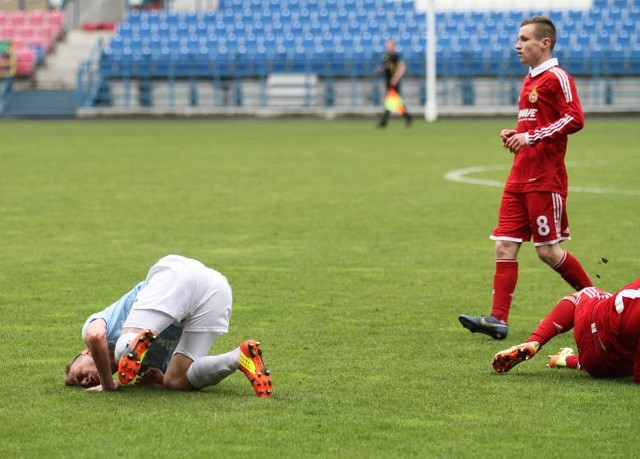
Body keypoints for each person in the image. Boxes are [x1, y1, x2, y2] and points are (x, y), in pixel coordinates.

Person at [459, 16, 592, 340]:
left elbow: (575, 118)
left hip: (545, 179)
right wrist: (516, 134)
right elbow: (534, 126)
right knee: (504, 246)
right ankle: (497, 319)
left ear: (544, 43)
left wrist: (530, 138)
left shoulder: (557, 77)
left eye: (524, 39)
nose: (517, 45)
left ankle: (595, 301)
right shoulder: (528, 80)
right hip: (518, 177)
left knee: (547, 251)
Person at [64, 254, 273, 398]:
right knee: (176, 380)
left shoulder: (98, 326)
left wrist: (107, 385)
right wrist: (160, 379)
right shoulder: (139, 367)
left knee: (122, 349)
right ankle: (239, 357)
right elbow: (173, 376)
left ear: (86, 353)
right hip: (217, 292)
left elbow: (95, 336)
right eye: (83, 383)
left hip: (174, 277)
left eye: (79, 374)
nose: (84, 382)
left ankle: (137, 336)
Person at [492, 278, 640, 383]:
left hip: (594, 349)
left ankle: (535, 341)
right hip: (612, 368)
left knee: (588, 293)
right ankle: (566, 360)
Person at [377, 40, 412, 128]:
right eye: (387, 46)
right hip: (388, 82)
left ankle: (384, 121)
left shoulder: (395, 56)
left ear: (393, 47)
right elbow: (387, 67)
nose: (387, 48)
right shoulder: (385, 57)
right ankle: (407, 117)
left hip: (393, 83)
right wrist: (381, 69)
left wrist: (396, 78)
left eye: (389, 46)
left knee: (390, 101)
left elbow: (402, 67)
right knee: (394, 102)